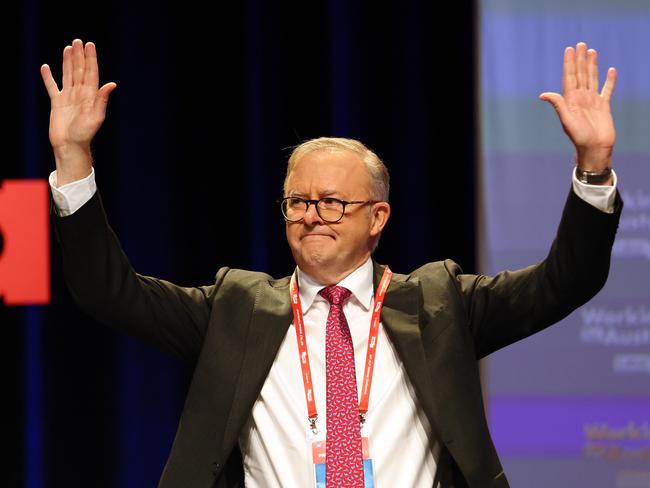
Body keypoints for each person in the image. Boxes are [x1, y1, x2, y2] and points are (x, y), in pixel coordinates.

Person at [42, 39, 622, 488]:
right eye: (298, 201)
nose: (312, 215)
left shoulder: (441, 304)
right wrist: (72, 158)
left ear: (378, 218)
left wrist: (593, 168)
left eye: (333, 202)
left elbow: (564, 281)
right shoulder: (234, 309)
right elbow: (105, 290)